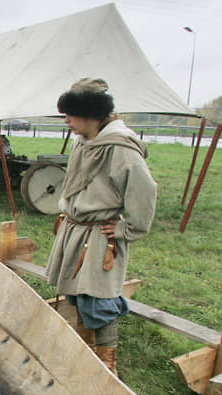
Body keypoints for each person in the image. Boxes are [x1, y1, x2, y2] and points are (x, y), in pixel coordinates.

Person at [45, 78, 157, 377]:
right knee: (78, 295)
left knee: (98, 298)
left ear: (92, 114)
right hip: (76, 229)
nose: (66, 119)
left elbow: (144, 190)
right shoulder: (85, 141)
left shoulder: (120, 148)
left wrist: (125, 230)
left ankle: (108, 366)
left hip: (97, 234)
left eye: (71, 113)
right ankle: (87, 353)